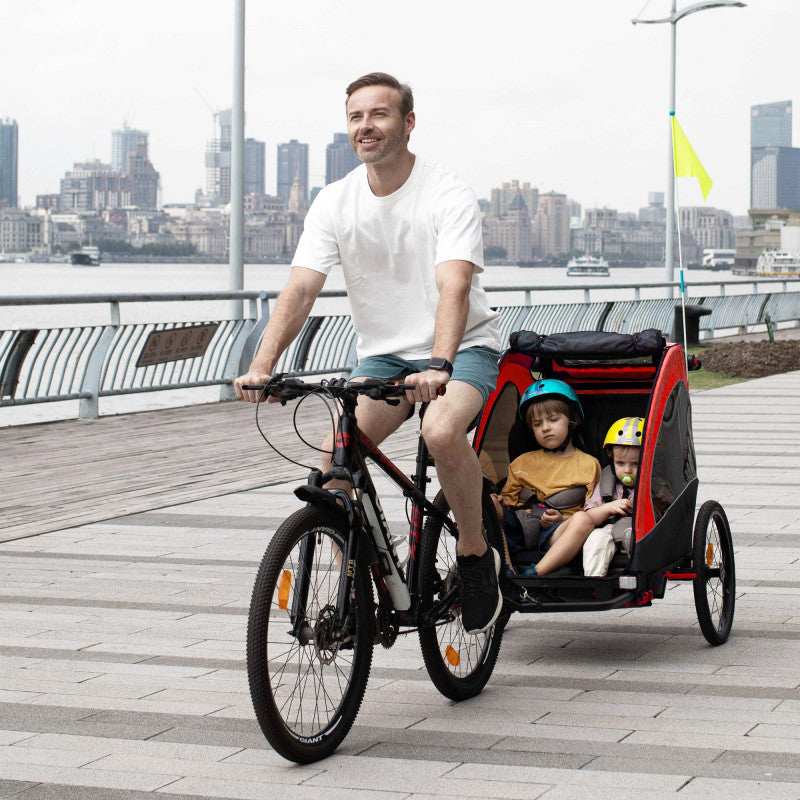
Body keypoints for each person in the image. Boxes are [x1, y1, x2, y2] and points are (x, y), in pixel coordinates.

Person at [234, 72, 504, 635]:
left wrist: (438, 363)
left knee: (440, 431)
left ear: (407, 122)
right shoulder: (334, 201)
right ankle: (359, 582)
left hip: (462, 346)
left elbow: (454, 286)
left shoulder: (445, 191)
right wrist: (263, 365)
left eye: (379, 115)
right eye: (356, 117)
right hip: (381, 358)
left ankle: (477, 556)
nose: (366, 127)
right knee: (336, 466)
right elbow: (301, 289)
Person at [492, 379, 601, 576]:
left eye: (553, 420)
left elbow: (593, 509)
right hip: (521, 525)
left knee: (584, 520)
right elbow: (509, 501)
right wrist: (500, 501)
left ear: (572, 420)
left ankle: (536, 573)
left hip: (558, 531)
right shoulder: (521, 463)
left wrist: (563, 518)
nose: (545, 428)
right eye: (537, 424)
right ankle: (507, 569)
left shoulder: (588, 464)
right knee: (488, 503)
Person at [582, 417, 643, 577]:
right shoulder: (607, 484)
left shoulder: (651, 485)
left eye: (635, 464)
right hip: (608, 529)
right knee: (595, 540)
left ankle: (636, 568)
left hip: (638, 530)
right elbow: (589, 516)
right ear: (612, 459)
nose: (628, 470)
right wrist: (609, 507)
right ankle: (594, 580)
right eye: (621, 463)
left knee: (634, 536)